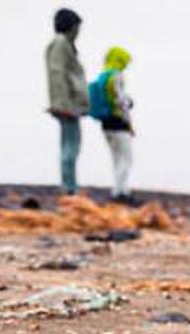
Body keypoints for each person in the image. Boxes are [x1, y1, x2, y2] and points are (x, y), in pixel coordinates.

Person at [45, 8, 87, 195]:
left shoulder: (65, 45)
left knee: (70, 145)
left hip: (70, 103)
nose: (79, 31)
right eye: (77, 27)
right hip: (67, 104)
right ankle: (69, 186)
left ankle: (69, 185)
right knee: (71, 146)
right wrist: (63, 105)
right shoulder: (61, 44)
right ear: (71, 26)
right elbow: (57, 74)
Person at [90, 47, 137, 203]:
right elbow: (121, 101)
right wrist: (129, 121)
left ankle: (122, 189)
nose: (126, 65)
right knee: (127, 159)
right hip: (119, 123)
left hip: (105, 123)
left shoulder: (103, 75)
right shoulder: (117, 76)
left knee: (116, 159)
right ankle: (118, 193)